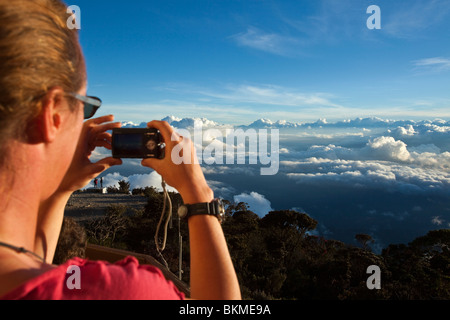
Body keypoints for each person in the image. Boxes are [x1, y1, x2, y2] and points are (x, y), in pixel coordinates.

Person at [0, 0, 240, 300]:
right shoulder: (120, 292)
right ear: (52, 117)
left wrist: (61, 188)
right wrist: (199, 197)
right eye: (84, 106)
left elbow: (29, 264)